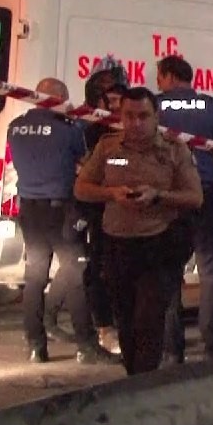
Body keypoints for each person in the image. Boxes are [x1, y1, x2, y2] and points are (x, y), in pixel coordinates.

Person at [74, 87, 203, 375]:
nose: (135, 123)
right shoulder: (108, 148)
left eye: (143, 116)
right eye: (129, 116)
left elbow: (195, 196)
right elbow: (81, 188)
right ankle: (134, 379)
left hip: (157, 246)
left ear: (156, 116)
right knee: (126, 321)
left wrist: (157, 195)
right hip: (117, 245)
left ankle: (143, 385)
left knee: (149, 319)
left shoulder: (173, 149)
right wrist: (111, 193)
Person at [8, 78, 120, 365]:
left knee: (34, 278)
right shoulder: (67, 131)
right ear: (56, 98)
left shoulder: (15, 127)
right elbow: (85, 164)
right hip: (61, 212)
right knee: (75, 275)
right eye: (65, 100)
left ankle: (36, 346)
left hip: (30, 212)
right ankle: (86, 345)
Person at [155, 55, 213, 360]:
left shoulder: (156, 106)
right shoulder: (212, 108)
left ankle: (172, 349)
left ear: (170, 76)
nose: (159, 83)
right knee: (211, 272)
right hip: (205, 194)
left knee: (169, 272)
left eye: (160, 77)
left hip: (169, 197)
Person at [79, 77, 127, 354]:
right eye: (111, 100)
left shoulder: (132, 131)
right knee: (99, 269)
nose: (117, 106)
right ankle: (103, 328)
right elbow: (95, 170)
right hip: (101, 211)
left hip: (128, 213)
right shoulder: (94, 132)